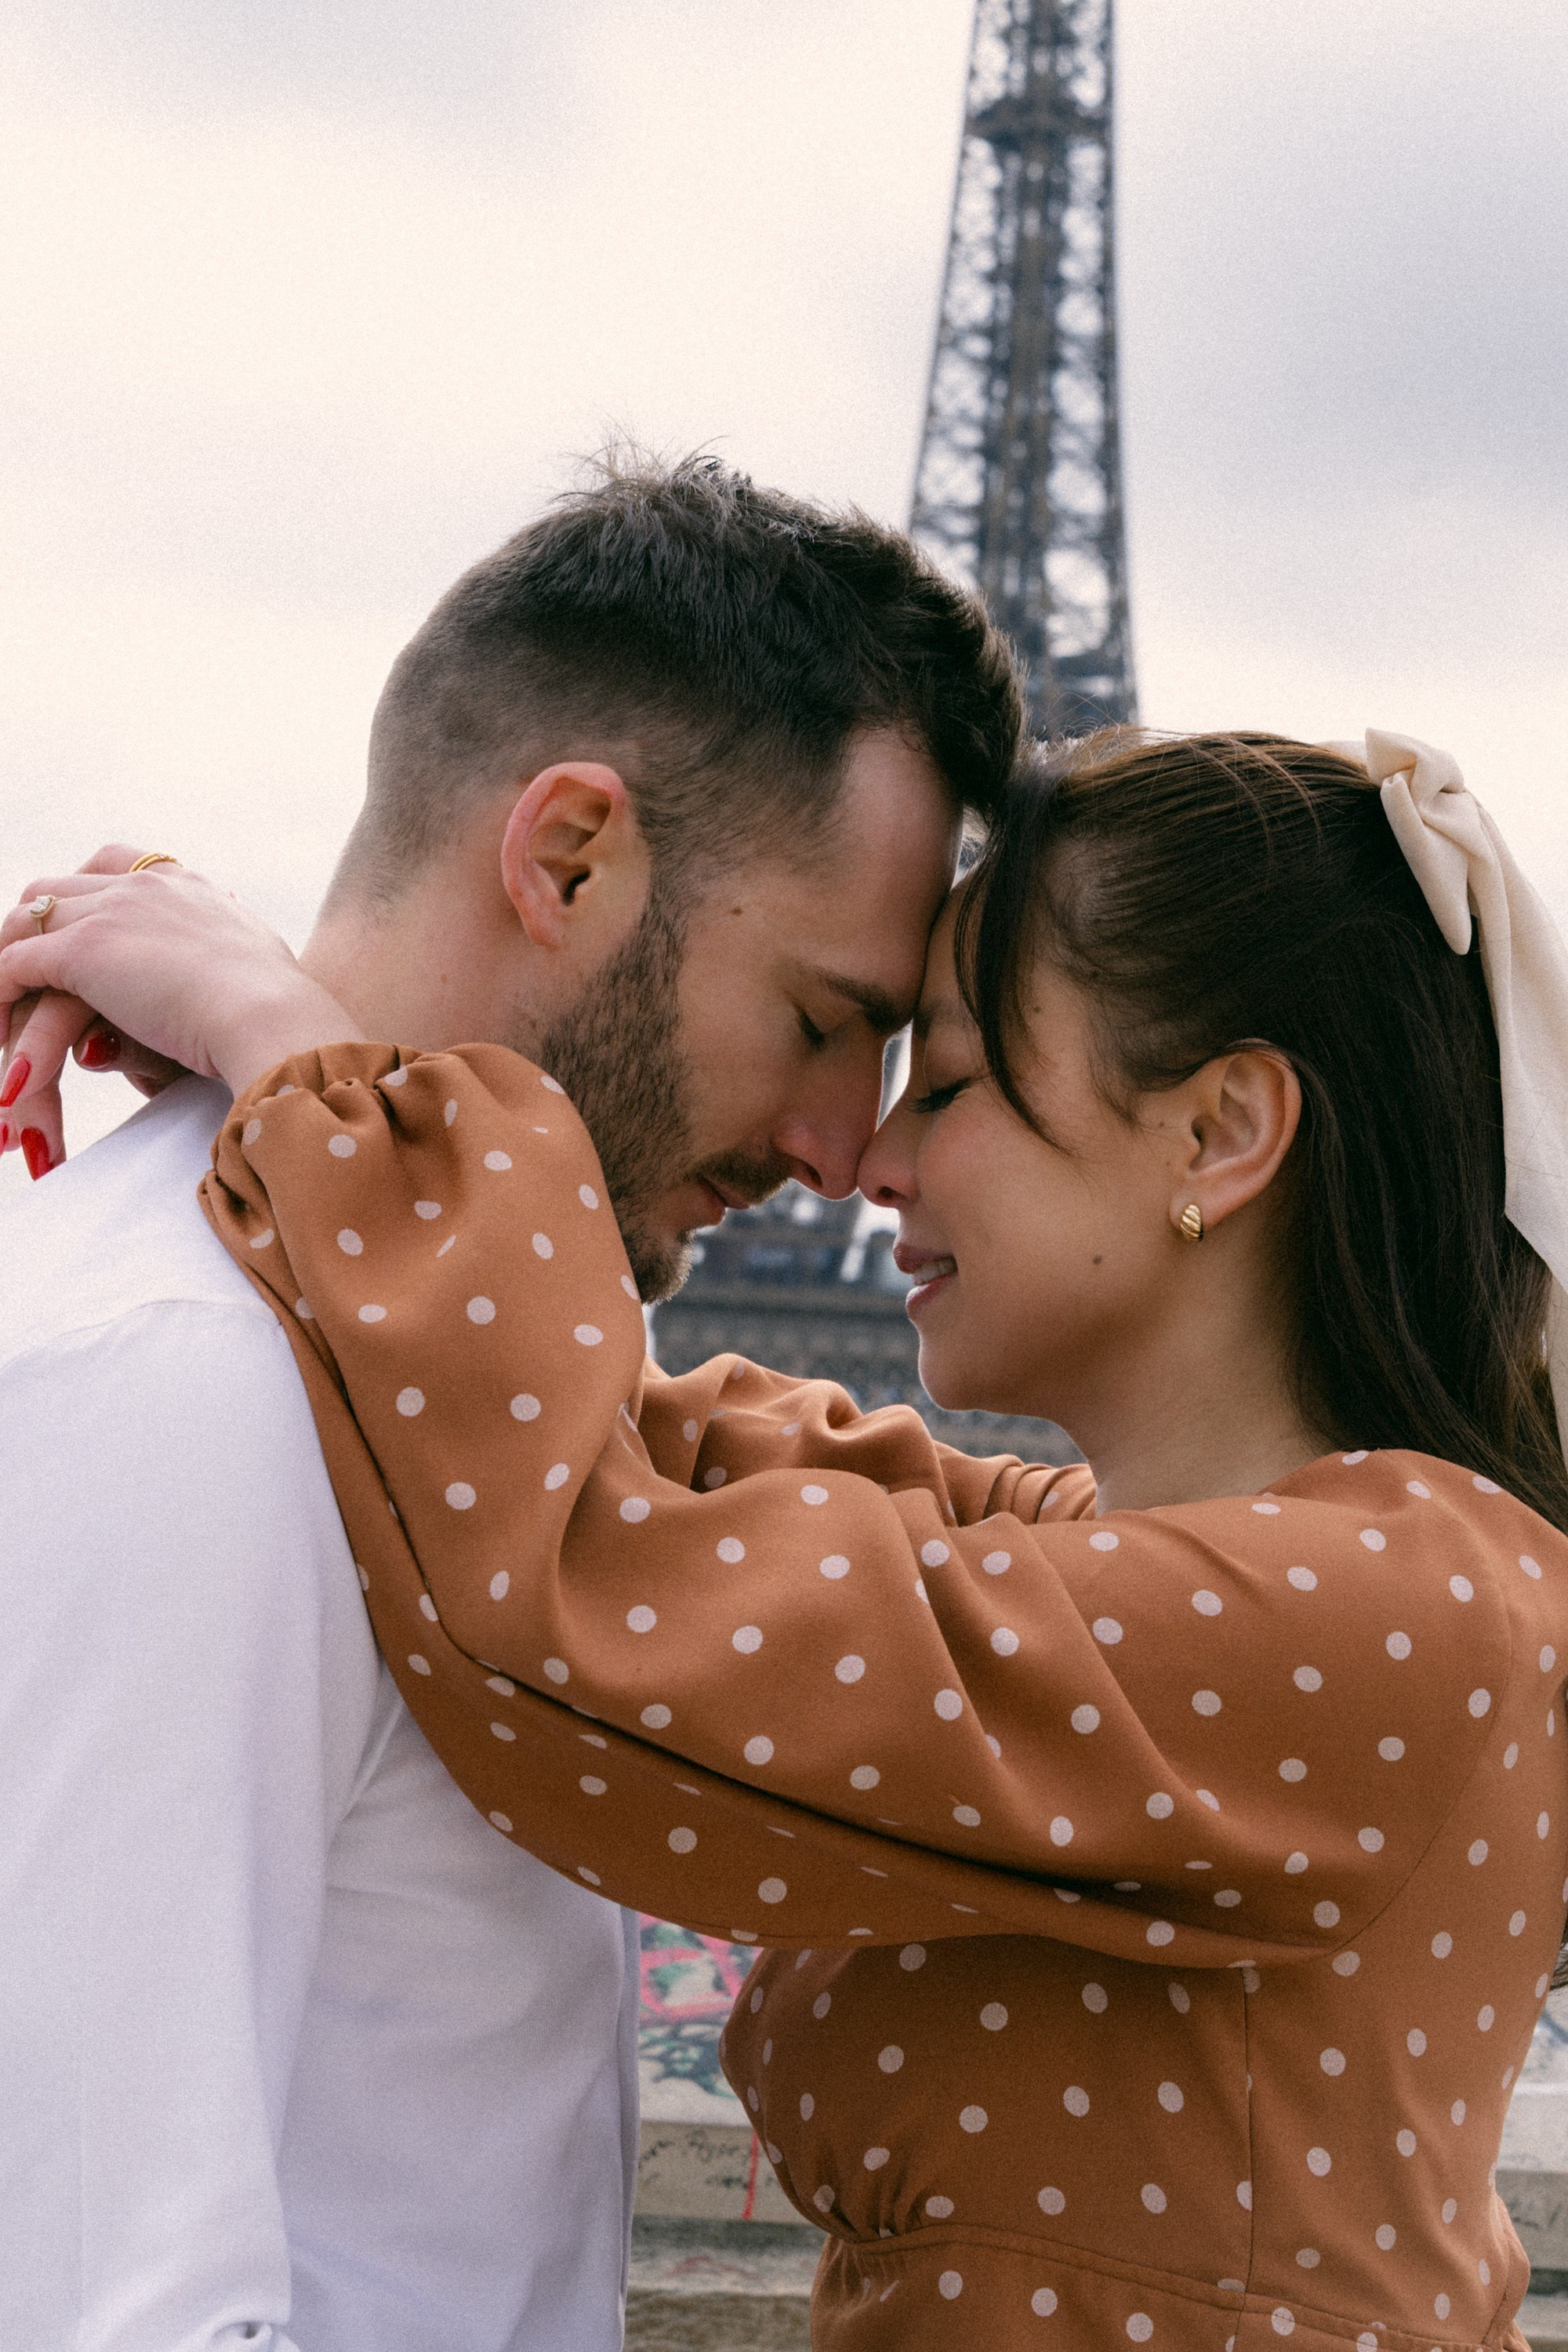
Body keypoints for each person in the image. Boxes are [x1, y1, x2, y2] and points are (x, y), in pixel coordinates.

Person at [9, 727, 1568, 2350]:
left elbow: (614, 1568)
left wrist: (291, 1049)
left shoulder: (1398, 1610)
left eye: (948, 1083)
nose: (872, 1161)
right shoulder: (1149, 1563)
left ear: (1220, 1130)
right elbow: (634, 1442)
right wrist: (293, 1035)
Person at [0, 452, 1023, 2352]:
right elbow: (99, 2295)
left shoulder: (440, 1382)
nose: (836, 1148)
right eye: (817, 1021)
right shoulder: (202, 1390)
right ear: (566, 857)